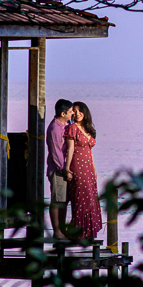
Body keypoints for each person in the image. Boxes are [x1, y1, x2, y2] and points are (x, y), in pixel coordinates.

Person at [64, 101, 102, 240]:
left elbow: (90, 151)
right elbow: (70, 149)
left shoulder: (89, 129)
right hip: (77, 166)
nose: (78, 113)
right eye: (75, 111)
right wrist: (67, 168)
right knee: (81, 198)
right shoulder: (72, 128)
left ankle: (89, 233)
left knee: (91, 199)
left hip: (89, 169)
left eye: (80, 111)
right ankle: (79, 233)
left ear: (85, 112)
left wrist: (94, 168)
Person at [46, 98, 73, 240]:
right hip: (58, 170)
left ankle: (62, 230)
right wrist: (64, 170)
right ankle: (57, 231)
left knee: (64, 200)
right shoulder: (55, 129)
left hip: (64, 169)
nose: (72, 113)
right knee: (57, 200)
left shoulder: (66, 124)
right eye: (70, 111)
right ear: (63, 113)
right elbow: (56, 153)